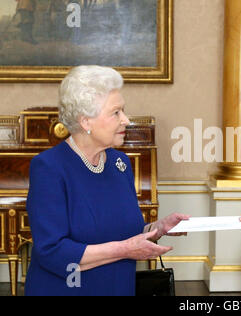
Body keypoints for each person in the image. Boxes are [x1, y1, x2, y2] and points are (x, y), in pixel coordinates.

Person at [25, 65, 189, 296]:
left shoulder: (119, 163)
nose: (127, 120)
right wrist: (125, 250)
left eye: (124, 111)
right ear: (85, 122)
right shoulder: (49, 167)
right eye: (116, 113)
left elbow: (121, 231)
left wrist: (158, 228)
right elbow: (52, 251)